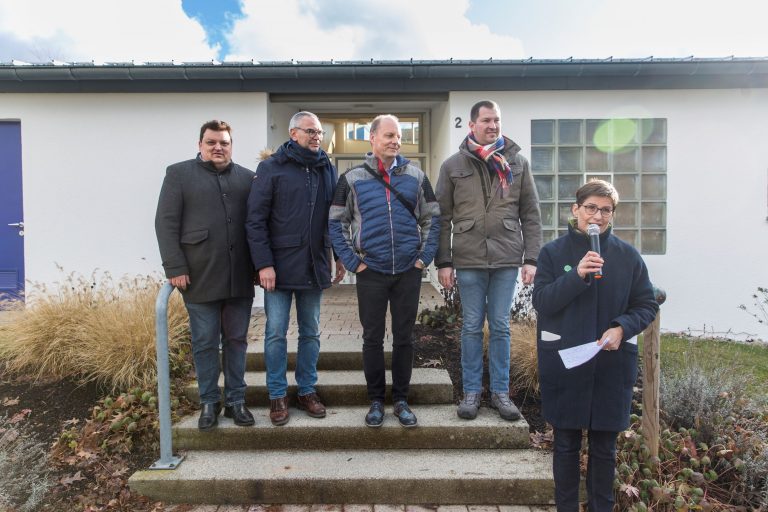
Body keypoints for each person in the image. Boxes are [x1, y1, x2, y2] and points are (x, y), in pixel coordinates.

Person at [532, 180, 658, 512]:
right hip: (566, 364)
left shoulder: (628, 257)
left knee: (605, 450)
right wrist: (577, 276)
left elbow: (646, 304)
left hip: (610, 366)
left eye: (605, 210)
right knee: (566, 445)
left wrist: (622, 327)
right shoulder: (552, 253)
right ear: (575, 210)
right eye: (591, 207)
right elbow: (543, 302)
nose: (597, 216)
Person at [329, 114, 440, 428]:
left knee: (404, 337)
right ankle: (376, 400)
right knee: (372, 338)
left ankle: (401, 399)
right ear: (372, 138)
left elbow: (433, 220)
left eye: (399, 136)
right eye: (389, 135)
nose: (395, 141)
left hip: (408, 269)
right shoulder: (351, 179)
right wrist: (354, 263)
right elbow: (336, 224)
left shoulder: (417, 177)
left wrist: (423, 258)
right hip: (371, 271)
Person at [435, 100, 542, 421]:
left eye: (496, 120)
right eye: (486, 120)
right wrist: (444, 261)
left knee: (499, 327)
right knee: (470, 326)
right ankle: (471, 392)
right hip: (467, 258)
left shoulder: (518, 163)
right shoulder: (453, 166)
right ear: (472, 125)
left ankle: (499, 393)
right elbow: (442, 217)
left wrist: (532, 258)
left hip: (507, 258)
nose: (493, 125)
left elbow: (531, 214)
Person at [155, 120, 256, 431]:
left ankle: (236, 401)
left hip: (239, 278)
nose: (218, 147)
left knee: (237, 341)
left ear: (231, 145)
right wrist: (175, 268)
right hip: (198, 276)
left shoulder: (247, 178)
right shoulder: (179, 174)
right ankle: (209, 402)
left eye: (224, 142)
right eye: (211, 142)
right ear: (200, 144)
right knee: (204, 342)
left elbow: (257, 224)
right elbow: (165, 223)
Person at [246, 111, 345, 426]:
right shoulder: (271, 168)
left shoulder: (325, 168)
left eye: (319, 132)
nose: (317, 136)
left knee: (311, 332)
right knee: (275, 333)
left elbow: (334, 218)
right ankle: (277, 394)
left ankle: (306, 390)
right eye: (310, 131)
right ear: (293, 134)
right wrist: (264, 264)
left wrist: (339, 256)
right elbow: (255, 220)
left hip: (314, 265)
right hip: (277, 268)